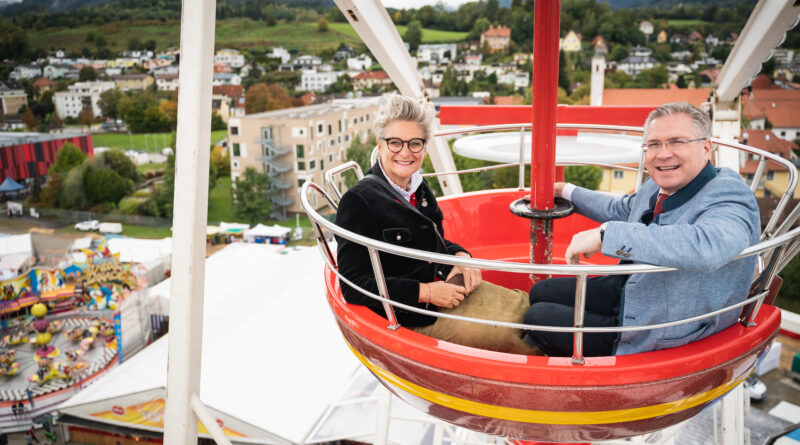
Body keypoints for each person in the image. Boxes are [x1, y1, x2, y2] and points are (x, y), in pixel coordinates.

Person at [523, 102, 760, 357]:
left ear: (706, 147)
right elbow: (622, 209)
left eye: (677, 141)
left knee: (538, 317)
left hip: (660, 326)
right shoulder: (660, 183)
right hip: (634, 286)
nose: (663, 154)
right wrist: (567, 192)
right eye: (654, 144)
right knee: (540, 292)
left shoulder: (731, 196)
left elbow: (707, 246)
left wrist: (606, 236)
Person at [336, 94, 538, 355]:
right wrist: (426, 292)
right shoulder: (359, 201)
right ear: (381, 145)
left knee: (526, 305)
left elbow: (435, 244)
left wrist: (460, 257)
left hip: (447, 291)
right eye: (395, 143)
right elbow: (352, 284)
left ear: (425, 146)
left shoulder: (417, 188)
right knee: (521, 339)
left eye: (415, 143)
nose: (405, 152)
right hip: (414, 317)